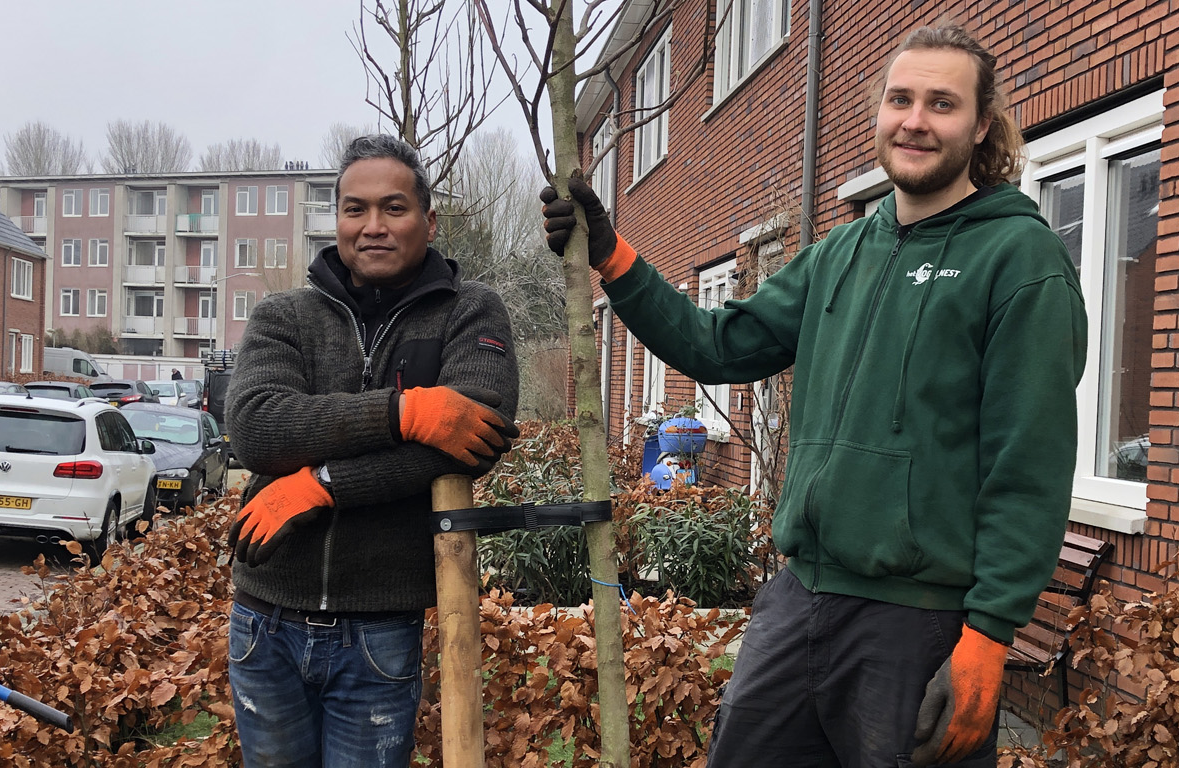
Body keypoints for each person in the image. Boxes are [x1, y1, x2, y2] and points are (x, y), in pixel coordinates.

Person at [541, 23, 1087, 768]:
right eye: (900, 99)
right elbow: (716, 343)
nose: (916, 120)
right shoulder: (841, 254)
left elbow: (1031, 462)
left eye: (942, 104)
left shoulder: (1020, 260)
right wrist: (612, 255)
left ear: (982, 125)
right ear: (878, 112)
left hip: (918, 624)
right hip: (799, 600)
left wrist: (989, 635)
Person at [226, 134, 520, 767]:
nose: (373, 226)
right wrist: (405, 411)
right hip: (265, 624)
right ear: (336, 221)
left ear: (429, 220)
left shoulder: (468, 314)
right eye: (354, 209)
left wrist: (323, 483)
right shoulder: (285, 315)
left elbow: (476, 440)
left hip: (379, 631)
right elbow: (257, 427)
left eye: (394, 207)